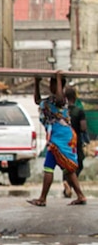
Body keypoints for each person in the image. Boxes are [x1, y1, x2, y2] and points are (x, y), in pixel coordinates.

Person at [28, 74, 88, 206]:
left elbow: (60, 98)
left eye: (53, 83)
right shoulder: (49, 101)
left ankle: (42, 198)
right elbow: (38, 100)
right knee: (68, 170)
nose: (50, 85)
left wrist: (59, 79)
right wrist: (37, 83)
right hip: (57, 137)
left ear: (60, 86)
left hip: (61, 138)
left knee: (49, 167)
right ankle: (81, 196)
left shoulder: (62, 101)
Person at [64, 86, 88, 198]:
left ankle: (66, 183)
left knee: (66, 164)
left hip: (64, 141)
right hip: (75, 141)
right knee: (79, 164)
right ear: (75, 96)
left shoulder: (63, 111)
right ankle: (69, 183)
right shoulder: (79, 111)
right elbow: (83, 128)